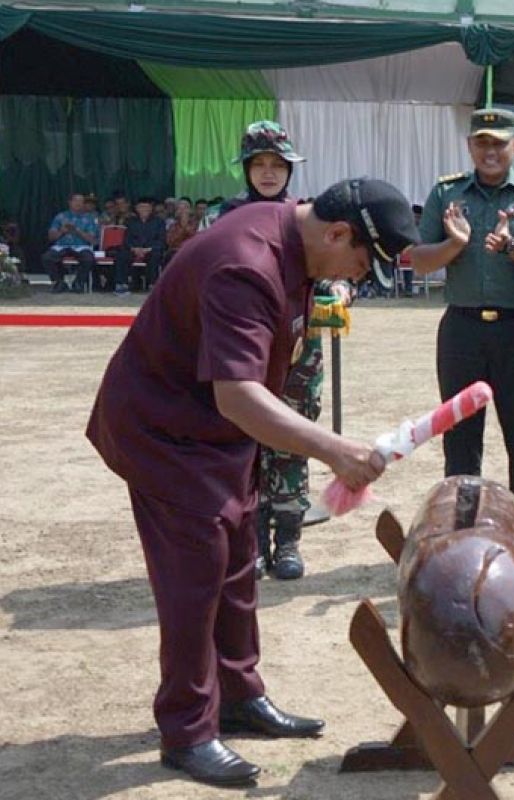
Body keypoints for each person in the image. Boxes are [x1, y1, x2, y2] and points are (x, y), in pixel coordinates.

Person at [86, 178, 419, 787]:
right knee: (196, 574)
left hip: (214, 432)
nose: (353, 278)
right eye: (361, 266)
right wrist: (335, 451)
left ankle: (238, 694)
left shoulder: (294, 239)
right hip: (166, 432)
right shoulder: (245, 267)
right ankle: (187, 728)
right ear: (339, 233)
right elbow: (238, 395)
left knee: (237, 558)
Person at [410, 108, 514, 540]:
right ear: (470, 146)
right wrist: (455, 243)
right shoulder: (446, 194)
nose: (490, 151)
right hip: (462, 330)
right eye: (482, 143)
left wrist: (512, 246)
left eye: (499, 143)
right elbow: (419, 261)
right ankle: (461, 536)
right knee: (460, 439)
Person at [219, 120, 329, 580]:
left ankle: (287, 541)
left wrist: (335, 292)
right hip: (245, 346)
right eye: (259, 164)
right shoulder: (227, 217)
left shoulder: (307, 217)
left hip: (299, 350)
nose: (268, 173)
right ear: (246, 169)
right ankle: (251, 544)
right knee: (244, 446)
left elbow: (329, 271)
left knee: (292, 442)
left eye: (277, 164)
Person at [41, 192, 98, 294]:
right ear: (70, 202)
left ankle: (78, 283)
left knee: (89, 259)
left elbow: (92, 240)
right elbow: (51, 237)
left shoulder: (89, 218)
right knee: (47, 257)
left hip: (81, 246)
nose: (78, 203)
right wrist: (62, 231)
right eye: (76, 201)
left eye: (81, 201)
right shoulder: (60, 217)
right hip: (62, 245)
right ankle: (59, 282)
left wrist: (77, 231)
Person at [113, 196, 167, 295]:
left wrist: (148, 249)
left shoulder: (159, 222)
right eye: (141, 207)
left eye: (147, 208)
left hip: (151, 249)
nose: (144, 210)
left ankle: (152, 285)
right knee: (122, 255)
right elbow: (127, 239)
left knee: (156, 255)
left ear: (151, 209)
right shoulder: (130, 221)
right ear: (137, 209)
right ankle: (121, 284)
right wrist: (134, 249)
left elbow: (161, 240)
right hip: (134, 249)